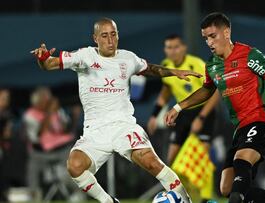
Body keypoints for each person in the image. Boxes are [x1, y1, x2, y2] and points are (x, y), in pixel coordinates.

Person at [31, 18, 201, 203]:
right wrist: (42, 59)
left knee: (152, 163)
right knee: (75, 166)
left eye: (114, 34)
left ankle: (186, 200)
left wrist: (174, 72)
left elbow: (150, 69)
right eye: (104, 36)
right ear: (95, 38)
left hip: (124, 126)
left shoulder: (128, 58)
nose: (110, 40)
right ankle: (108, 201)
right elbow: (49, 64)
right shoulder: (84, 56)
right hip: (95, 130)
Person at [164, 12, 265, 203]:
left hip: (262, 121)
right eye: (205, 38)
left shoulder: (249, 55)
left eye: (213, 36)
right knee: (227, 188)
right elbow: (206, 91)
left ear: (227, 32)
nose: (209, 42)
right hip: (240, 129)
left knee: (240, 167)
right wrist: (178, 107)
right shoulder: (212, 65)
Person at [147, 34, 220, 203]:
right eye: (168, 47)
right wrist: (154, 115)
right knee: (172, 159)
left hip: (203, 112)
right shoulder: (166, 66)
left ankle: (206, 199)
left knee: (201, 159)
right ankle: (179, 197)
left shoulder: (197, 64)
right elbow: (166, 92)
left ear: (184, 48)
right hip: (183, 113)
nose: (172, 51)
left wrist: (201, 118)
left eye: (176, 47)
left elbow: (214, 92)